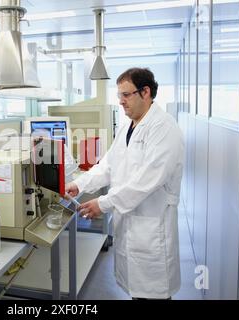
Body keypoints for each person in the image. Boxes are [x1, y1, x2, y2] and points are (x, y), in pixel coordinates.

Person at [65, 67, 184, 300]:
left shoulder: (164, 128)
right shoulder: (127, 127)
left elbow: (146, 182)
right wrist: (79, 184)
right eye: (119, 95)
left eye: (126, 95)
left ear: (145, 92)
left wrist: (104, 203)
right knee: (137, 294)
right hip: (131, 224)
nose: (120, 101)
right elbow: (108, 166)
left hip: (151, 226)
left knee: (153, 295)